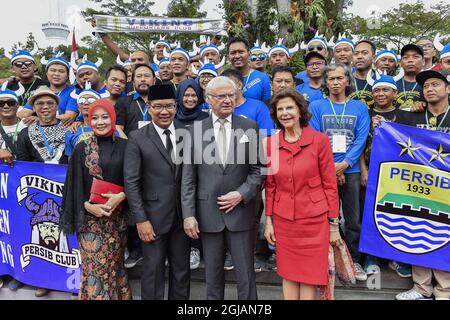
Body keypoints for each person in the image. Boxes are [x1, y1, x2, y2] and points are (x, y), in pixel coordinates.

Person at [181, 76, 265, 300]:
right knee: (213, 277)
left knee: (246, 276)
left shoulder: (249, 126)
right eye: (221, 96)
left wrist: (242, 193)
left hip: (241, 213)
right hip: (208, 213)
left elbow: (259, 169)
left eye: (231, 95)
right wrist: (188, 215)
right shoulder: (193, 131)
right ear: (209, 100)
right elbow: (188, 178)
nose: (228, 100)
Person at [265, 88, 339, 300]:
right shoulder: (270, 143)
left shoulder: (320, 140)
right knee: (288, 273)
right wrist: (268, 221)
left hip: (314, 220)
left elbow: (330, 184)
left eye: (290, 107)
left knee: (309, 276)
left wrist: (333, 224)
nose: (285, 113)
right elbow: (270, 185)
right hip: (284, 220)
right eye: (280, 109)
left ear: (300, 111)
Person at [60, 99, 131, 300]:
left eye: (105, 117)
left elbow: (137, 180)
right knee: (95, 271)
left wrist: (122, 195)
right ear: (89, 120)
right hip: (90, 223)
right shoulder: (81, 148)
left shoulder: (127, 147)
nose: (100, 122)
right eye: (95, 117)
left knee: (114, 269)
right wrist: (87, 206)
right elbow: (73, 186)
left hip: (116, 223)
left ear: (113, 117)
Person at [124, 84, 190, 300]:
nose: (164, 111)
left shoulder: (186, 134)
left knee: (181, 273)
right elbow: (131, 182)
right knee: (152, 272)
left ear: (176, 106)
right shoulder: (137, 137)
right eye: (158, 106)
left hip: (182, 219)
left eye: (169, 106)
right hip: (152, 219)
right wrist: (141, 219)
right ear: (149, 107)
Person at [309, 63, 370, 281]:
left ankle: (353, 260)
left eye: (339, 78)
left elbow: (362, 138)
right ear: (326, 82)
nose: (335, 83)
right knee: (325, 216)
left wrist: (344, 164)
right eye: (331, 79)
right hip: (323, 170)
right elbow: (316, 137)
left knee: (353, 219)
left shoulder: (359, 107)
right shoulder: (316, 106)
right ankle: (326, 260)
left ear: (347, 81)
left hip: (351, 170)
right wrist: (332, 168)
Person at [393, 69, 450, 300]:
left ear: (448, 89)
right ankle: (421, 287)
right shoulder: (413, 117)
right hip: (419, 187)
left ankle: (445, 290)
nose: (430, 89)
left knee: (445, 235)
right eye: (426, 87)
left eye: (435, 84)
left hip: (446, 188)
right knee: (420, 232)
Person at [14, 86, 68, 297]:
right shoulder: (26, 133)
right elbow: (22, 164)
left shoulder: (69, 130)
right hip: (39, 193)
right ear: (34, 107)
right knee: (40, 237)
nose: (45, 107)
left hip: (66, 191)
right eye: (39, 104)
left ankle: (69, 278)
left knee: (67, 235)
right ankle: (42, 279)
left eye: (50, 103)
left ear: (57, 106)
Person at [360, 74, 412, 278]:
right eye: (377, 91)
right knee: (369, 214)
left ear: (395, 93)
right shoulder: (366, 113)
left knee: (395, 214)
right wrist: (363, 170)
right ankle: (371, 258)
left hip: (397, 175)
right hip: (371, 172)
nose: (380, 94)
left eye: (385, 90)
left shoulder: (407, 116)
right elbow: (359, 144)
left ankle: (395, 257)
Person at [19, 53, 77, 126]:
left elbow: (68, 117)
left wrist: (40, 119)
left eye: (61, 71)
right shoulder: (41, 91)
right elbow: (23, 114)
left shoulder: (74, 92)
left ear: (68, 75)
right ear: (46, 73)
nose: (56, 74)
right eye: (52, 70)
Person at [222, 69, 276, 136]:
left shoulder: (259, 108)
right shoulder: (219, 110)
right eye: (221, 86)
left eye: (228, 85)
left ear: (239, 85)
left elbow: (269, 137)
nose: (224, 89)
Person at [115, 64, 156, 136]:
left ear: (154, 80)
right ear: (133, 82)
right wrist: (129, 145)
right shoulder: (123, 102)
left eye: (146, 76)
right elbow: (118, 128)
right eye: (139, 76)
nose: (143, 79)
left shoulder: (163, 101)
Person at [228, 38, 272, 102]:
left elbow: (268, 107)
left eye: (241, 52)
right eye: (233, 53)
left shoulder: (263, 78)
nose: (237, 56)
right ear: (228, 57)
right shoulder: (223, 79)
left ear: (249, 55)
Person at [0, 83, 26, 166]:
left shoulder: (29, 125)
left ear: (17, 105)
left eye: (10, 103)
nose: (6, 106)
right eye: (1, 103)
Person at [396, 44, 425, 110]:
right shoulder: (393, 84)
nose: (410, 60)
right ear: (400, 63)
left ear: (423, 61)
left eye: (415, 57)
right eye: (406, 57)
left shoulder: (429, 84)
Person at [349, 40, 376, 108]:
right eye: (356, 53)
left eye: (364, 53)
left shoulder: (381, 80)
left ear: (373, 58)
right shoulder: (344, 80)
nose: (359, 56)